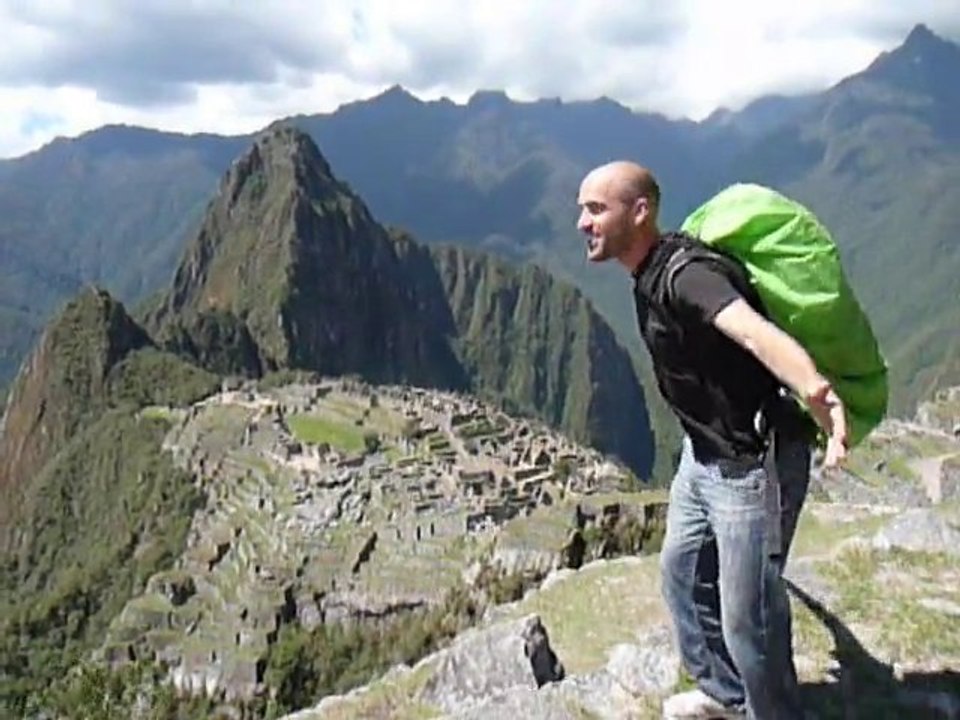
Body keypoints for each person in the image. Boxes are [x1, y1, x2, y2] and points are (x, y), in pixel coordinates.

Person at [576, 161, 848, 720]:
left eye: (596, 208)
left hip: (751, 465)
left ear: (640, 211)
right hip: (702, 461)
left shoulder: (685, 276)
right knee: (681, 578)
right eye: (583, 209)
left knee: (749, 615)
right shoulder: (649, 272)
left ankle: (774, 713)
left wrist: (815, 389)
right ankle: (728, 695)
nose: (582, 221)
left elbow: (751, 330)